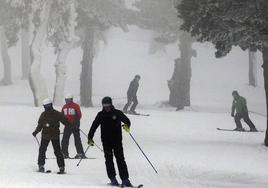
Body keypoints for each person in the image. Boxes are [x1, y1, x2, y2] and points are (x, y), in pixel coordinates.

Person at [88, 96, 133, 187]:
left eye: (108, 105)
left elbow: (127, 121)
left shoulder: (117, 113)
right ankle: (113, 179)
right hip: (106, 141)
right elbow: (94, 126)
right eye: (104, 105)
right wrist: (90, 137)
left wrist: (126, 126)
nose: (106, 107)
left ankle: (125, 179)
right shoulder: (100, 115)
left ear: (111, 104)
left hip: (117, 140)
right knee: (108, 160)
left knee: (120, 159)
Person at [32, 98, 72, 173]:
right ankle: (61, 167)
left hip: (48, 136)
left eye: (46, 106)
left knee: (43, 151)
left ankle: (41, 166)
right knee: (56, 151)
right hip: (53, 135)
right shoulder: (56, 113)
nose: (46, 107)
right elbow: (65, 121)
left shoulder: (45, 114)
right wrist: (36, 131)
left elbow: (40, 125)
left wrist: (36, 132)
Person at [61, 94, 86, 159]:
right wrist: (65, 123)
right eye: (66, 100)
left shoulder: (76, 106)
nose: (67, 101)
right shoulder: (64, 107)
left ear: (71, 99)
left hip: (75, 125)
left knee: (77, 140)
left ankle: (80, 153)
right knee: (64, 140)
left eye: (68, 100)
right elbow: (62, 116)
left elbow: (79, 115)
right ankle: (64, 154)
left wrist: (76, 124)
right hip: (67, 126)